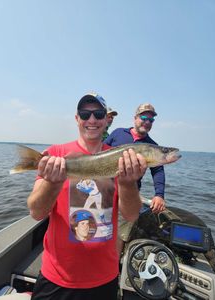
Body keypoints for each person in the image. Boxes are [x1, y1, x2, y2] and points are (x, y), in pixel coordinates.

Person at [27, 93, 147, 300]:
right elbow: (36, 212)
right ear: (77, 118)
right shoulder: (56, 154)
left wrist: (128, 182)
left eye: (98, 113)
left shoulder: (121, 158)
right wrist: (52, 183)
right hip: (56, 278)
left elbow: (131, 215)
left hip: (104, 278)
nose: (91, 120)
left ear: (107, 118)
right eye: (85, 114)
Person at [104, 103, 166, 253]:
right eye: (144, 117)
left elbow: (158, 171)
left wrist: (159, 195)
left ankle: (114, 268)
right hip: (104, 190)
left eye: (151, 120)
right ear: (135, 118)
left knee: (120, 234)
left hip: (129, 196)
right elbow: (100, 151)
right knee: (97, 228)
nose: (147, 122)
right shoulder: (118, 133)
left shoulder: (152, 146)